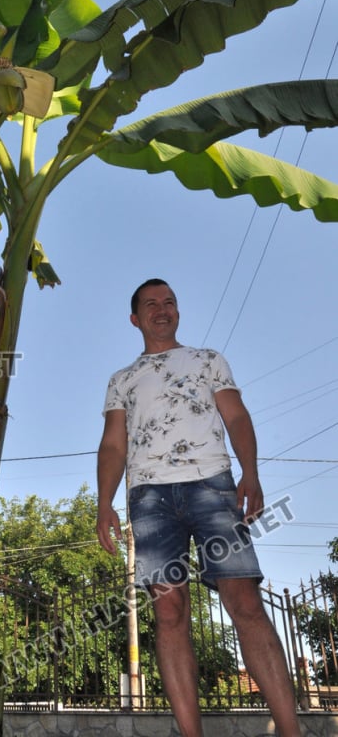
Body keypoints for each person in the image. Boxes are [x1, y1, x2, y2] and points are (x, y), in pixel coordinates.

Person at [96, 278, 300, 737]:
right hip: (149, 497)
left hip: (212, 486)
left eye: (169, 302)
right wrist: (103, 503)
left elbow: (237, 417)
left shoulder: (209, 360)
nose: (162, 309)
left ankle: (291, 731)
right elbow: (112, 444)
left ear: (178, 311)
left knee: (244, 601)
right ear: (135, 318)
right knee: (169, 612)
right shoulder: (121, 380)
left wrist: (251, 472)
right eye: (151, 304)